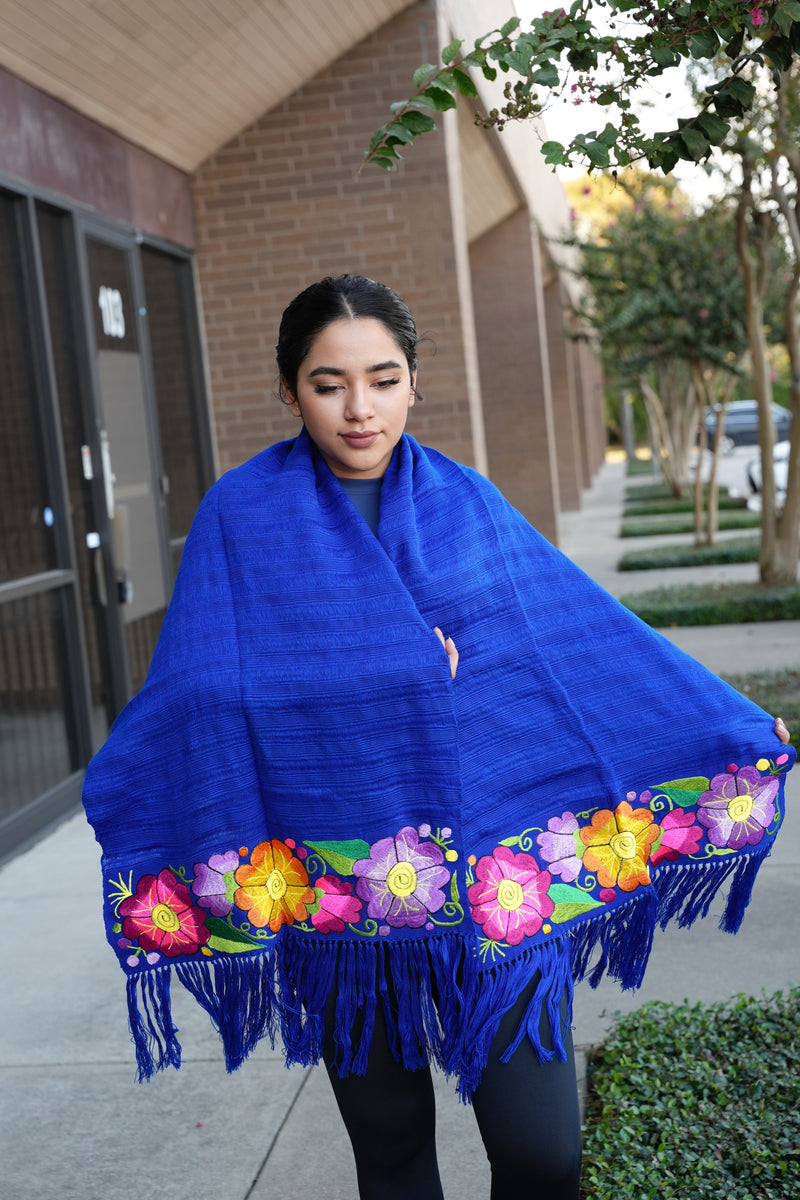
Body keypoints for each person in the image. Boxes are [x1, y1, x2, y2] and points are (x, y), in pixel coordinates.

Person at [82, 274, 793, 1200]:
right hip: (340, 895)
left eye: (382, 379)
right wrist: (396, 672)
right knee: (390, 1156)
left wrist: (729, 725)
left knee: (546, 1158)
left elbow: (576, 641)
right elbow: (208, 689)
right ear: (290, 390)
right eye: (329, 383)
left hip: (501, 878)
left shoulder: (469, 506)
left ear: (414, 382)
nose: (359, 409)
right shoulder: (241, 517)